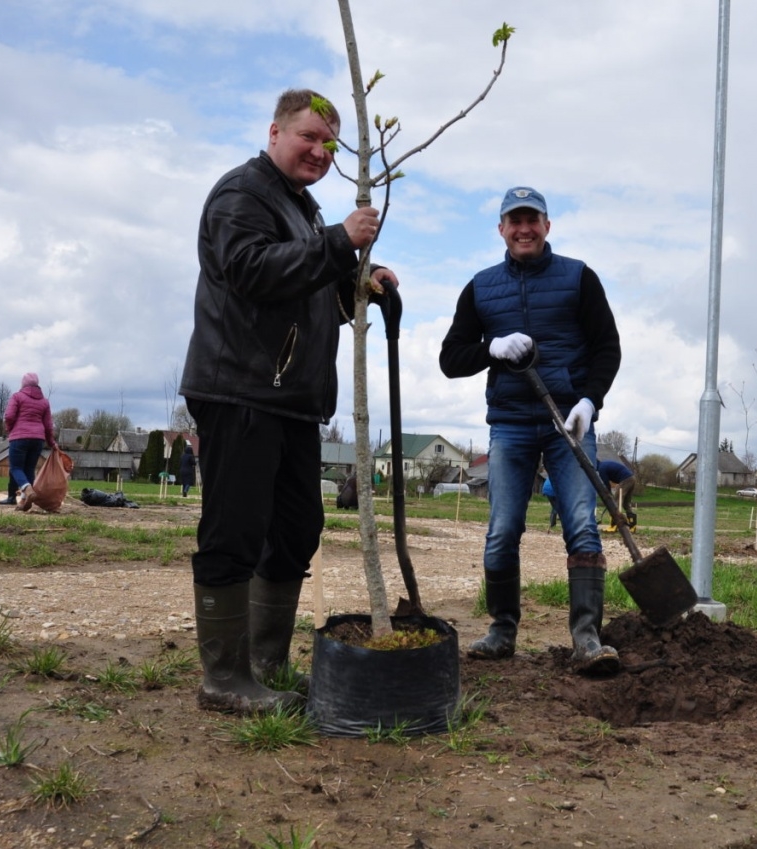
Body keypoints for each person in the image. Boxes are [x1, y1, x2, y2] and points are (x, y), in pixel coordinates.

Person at [179, 88, 398, 715]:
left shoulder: (300, 208)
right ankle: (224, 679)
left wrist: (360, 282)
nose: (319, 151)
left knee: (298, 528)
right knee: (235, 531)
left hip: (295, 399)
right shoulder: (241, 195)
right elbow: (251, 269)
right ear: (275, 132)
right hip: (240, 388)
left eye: (330, 143)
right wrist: (337, 243)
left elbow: (307, 290)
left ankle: (265, 664)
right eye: (308, 136)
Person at [439, 186, 622, 675]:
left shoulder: (579, 278)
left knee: (582, 525)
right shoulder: (480, 287)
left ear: (547, 225)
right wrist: (491, 348)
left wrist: (589, 400)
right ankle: (502, 631)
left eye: (532, 220)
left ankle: (586, 637)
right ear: (501, 229)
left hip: (568, 423)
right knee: (502, 531)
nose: (524, 229)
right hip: (511, 424)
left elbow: (608, 347)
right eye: (514, 221)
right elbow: (450, 360)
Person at [2, 373, 57, 510]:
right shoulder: (44, 402)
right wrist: (51, 442)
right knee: (29, 469)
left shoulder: (17, 396)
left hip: (19, 437)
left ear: (23, 384)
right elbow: (49, 425)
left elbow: (9, 416)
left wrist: (10, 429)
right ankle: (24, 501)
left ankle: (27, 489)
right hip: (38, 439)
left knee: (16, 468)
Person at [597, 459, 637, 531]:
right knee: (626, 503)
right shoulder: (604, 464)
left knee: (616, 503)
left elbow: (606, 484)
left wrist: (608, 495)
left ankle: (614, 525)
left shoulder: (601, 469)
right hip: (632, 478)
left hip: (626, 479)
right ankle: (632, 525)